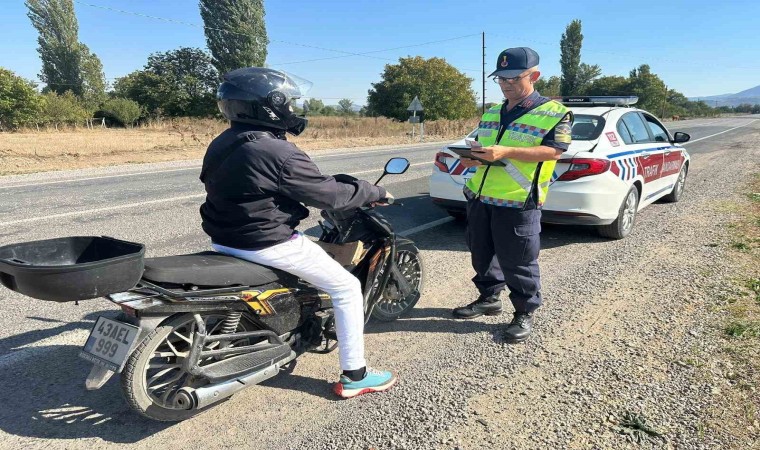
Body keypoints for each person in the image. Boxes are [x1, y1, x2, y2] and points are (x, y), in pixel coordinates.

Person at [199, 67, 397, 398]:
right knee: (347, 287)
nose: (292, 108)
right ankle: (356, 375)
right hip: (265, 241)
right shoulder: (277, 151)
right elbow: (329, 195)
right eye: (288, 102)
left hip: (225, 238)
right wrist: (374, 192)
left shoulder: (224, 141)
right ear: (269, 105)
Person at [452, 47, 572, 343]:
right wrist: (472, 157)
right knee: (481, 253)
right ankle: (489, 298)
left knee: (518, 260)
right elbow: (482, 146)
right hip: (480, 196)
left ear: (535, 75)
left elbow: (554, 151)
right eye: (500, 79)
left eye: (513, 78)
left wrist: (507, 151)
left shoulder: (555, 113)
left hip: (518, 200)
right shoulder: (493, 111)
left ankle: (524, 312)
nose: (506, 84)